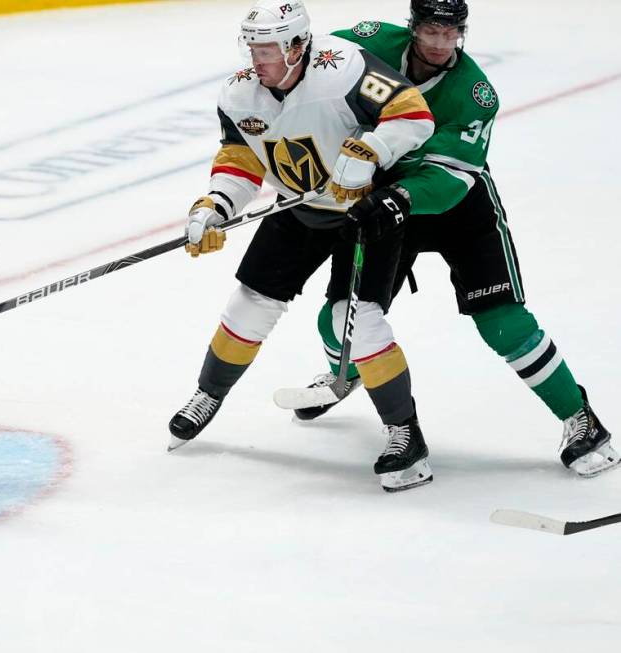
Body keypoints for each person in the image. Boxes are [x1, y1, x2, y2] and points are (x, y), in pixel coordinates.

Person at [291, 0, 618, 478]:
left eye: (452, 33)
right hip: (386, 203)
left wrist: (397, 196)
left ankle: (581, 420)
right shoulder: (370, 41)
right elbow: (312, 62)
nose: (443, 44)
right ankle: (352, 370)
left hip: (458, 207)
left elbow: (449, 180)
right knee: (340, 320)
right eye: (432, 31)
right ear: (413, 27)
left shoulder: (474, 93)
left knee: (502, 323)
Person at [167, 0, 437, 492]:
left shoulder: (343, 69)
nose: (257, 60)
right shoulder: (239, 94)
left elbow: (412, 115)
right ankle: (209, 394)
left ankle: (405, 433)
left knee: (354, 319)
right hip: (299, 206)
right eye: (252, 48)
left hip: (364, 211)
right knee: (248, 303)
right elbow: (240, 160)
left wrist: (369, 150)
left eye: (268, 49)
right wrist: (214, 205)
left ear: (297, 45)